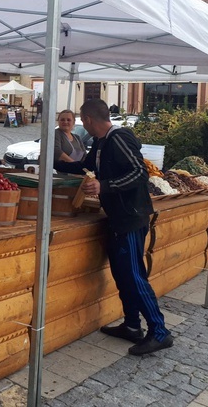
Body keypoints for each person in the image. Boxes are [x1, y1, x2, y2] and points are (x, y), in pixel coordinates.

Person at [55, 99, 173, 356]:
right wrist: (55, 164)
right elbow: (87, 167)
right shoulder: (100, 142)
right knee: (122, 273)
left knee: (134, 274)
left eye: (81, 120)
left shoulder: (119, 138)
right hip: (117, 217)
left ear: (86, 119)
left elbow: (140, 173)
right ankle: (132, 325)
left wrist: (104, 186)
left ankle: (160, 331)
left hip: (131, 218)